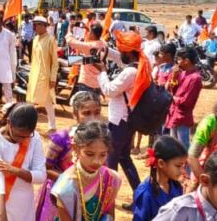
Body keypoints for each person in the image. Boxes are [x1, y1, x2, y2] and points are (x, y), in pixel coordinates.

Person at [35, 120, 121, 221]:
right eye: (89, 154)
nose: (97, 161)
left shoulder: (111, 179)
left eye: (103, 155)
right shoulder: (66, 186)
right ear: (75, 148)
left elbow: (110, 216)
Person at [34, 91, 101, 221]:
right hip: (60, 197)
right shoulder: (63, 138)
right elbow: (46, 167)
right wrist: (71, 180)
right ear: (75, 115)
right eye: (86, 113)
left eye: (97, 112)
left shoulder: (102, 138)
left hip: (89, 196)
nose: (92, 117)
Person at [94, 30, 151, 197]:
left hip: (119, 121)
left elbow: (109, 90)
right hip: (129, 120)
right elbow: (121, 59)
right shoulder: (142, 63)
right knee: (124, 158)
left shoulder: (130, 72)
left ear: (129, 52)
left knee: (111, 160)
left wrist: (102, 71)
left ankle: (107, 197)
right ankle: (139, 195)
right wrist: (106, 50)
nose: (120, 54)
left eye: (121, 51)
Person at [120, 136, 188, 221]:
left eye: (183, 166)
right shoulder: (146, 194)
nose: (182, 171)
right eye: (178, 166)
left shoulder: (176, 187)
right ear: (161, 163)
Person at [164, 47, 203, 150]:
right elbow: (172, 89)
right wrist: (174, 77)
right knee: (175, 148)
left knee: (183, 148)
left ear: (186, 61)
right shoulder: (182, 73)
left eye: (179, 59)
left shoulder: (195, 78)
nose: (177, 62)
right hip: (174, 113)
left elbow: (187, 102)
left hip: (182, 117)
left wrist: (172, 98)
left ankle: (187, 166)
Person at [25, 16, 59, 132]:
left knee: (47, 101)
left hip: (46, 75)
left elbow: (55, 62)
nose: (36, 27)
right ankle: (30, 124)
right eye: (35, 24)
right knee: (31, 100)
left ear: (44, 26)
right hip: (34, 74)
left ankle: (52, 126)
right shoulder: (35, 39)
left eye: (38, 24)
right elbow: (33, 59)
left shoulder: (51, 39)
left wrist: (53, 78)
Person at [65, 23, 108, 99]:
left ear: (92, 33)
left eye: (90, 32)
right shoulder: (104, 45)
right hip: (98, 82)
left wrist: (70, 29)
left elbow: (70, 41)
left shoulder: (89, 46)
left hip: (86, 81)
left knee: (84, 104)